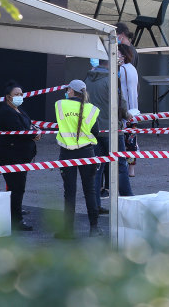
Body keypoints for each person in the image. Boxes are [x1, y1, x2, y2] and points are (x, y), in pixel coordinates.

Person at [85, 58, 135, 214]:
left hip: (94, 128)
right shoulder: (111, 79)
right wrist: (128, 115)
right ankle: (129, 201)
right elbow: (119, 103)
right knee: (120, 166)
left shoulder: (88, 79)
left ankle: (95, 205)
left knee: (97, 167)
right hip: (112, 129)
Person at [55, 79, 102, 238]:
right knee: (90, 190)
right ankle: (94, 228)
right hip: (87, 153)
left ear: (70, 91)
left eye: (68, 89)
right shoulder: (91, 109)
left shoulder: (60, 104)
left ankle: (67, 231)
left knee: (69, 192)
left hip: (67, 153)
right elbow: (96, 131)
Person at [0, 81, 40, 231]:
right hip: (11, 156)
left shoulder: (19, 110)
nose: (20, 96)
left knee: (17, 187)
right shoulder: (7, 112)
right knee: (17, 187)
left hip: (21, 156)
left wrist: (34, 131)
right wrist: (34, 134)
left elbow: (29, 126)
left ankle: (14, 210)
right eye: (16, 94)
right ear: (8, 97)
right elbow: (20, 130)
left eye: (21, 94)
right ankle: (16, 221)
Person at [118, 44, 139, 177]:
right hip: (134, 109)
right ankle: (131, 169)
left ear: (123, 56)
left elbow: (122, 92)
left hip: (125, 111)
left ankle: (124, 167)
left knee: (123, 140)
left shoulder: (122, 70)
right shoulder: (132, 68)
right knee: (131, 141)